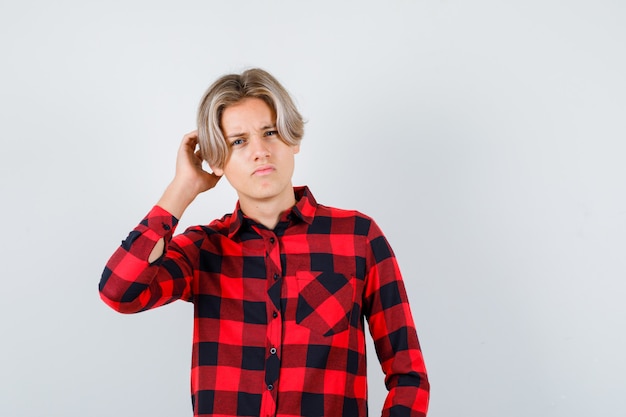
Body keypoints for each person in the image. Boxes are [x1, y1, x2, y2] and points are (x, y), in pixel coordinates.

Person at [99, 68, 429, 417]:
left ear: (293, 139)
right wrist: (182, 189)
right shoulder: (203, 249)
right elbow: (120, 293)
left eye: (270, 133)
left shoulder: (358, 238)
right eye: (237, 141)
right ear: (217, 160)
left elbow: (408, 374)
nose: (260, 152)